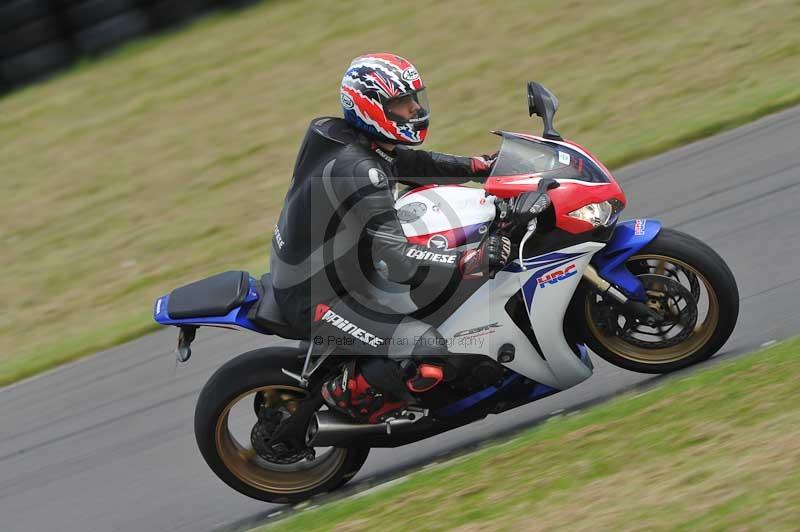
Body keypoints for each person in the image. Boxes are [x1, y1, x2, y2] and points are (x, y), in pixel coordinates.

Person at [270, 53, 511, 423]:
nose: (415, 108)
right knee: (430, 352)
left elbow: (406, 163)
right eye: (402, 102)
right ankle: (352, 401)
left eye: (415, 98)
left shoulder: (358, 143)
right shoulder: (358, 169)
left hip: (341, 268)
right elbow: (399, 261)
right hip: (319, 296)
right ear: (370, 107)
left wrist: (479, 166)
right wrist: (470, 260)